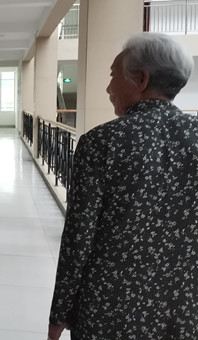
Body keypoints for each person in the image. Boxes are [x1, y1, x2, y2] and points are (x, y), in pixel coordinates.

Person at [48, 33, 198, 340]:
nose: (108, 88)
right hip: (181, 314)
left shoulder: (101, 143)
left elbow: (78, 239)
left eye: (113, 75)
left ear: (141, 79)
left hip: (107, 313)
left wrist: (58, 315)